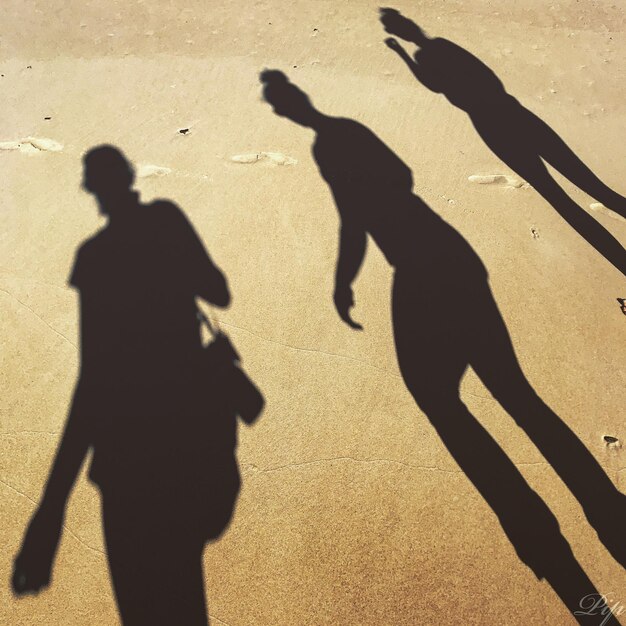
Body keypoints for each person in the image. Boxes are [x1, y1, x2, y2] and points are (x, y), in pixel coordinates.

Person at [260, 70, 624, 622]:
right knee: (509, 393)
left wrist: (343, 279)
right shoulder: (343, 134)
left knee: (441, 399)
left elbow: (354, 219)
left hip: (421, 269)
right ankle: (601, 516)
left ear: (290, 106)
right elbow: (396, 178)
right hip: (450, 256)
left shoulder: (331, 143)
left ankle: (537, 532)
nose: (284, 110)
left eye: (279, 103)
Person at [12, 145, 240, 626]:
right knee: (185, 607)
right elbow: (219, 291)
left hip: (125, 466)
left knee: (141, 613)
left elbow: (92, 382)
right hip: (182, 448)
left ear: (93, 190)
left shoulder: (95, 258)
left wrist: (53, 509)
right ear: (131, 178)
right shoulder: (167, 221)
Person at [380, 8, 626, 276]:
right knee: (588, 185)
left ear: (400, 31)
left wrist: (402, 54)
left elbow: (437, 87)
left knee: (559, 196)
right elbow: (485, 77)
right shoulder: (440, 46)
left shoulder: (427, 54)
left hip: (493, 125)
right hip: (514, 113)